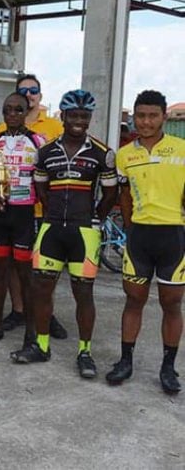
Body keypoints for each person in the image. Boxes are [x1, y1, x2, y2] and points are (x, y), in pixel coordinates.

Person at [15, 90, 117, 376]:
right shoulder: (45, 152)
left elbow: (110, 195)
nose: (79, 121)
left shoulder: (102, 153)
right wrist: (53, 213)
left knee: (83, 293)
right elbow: (41, 189)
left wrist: (94, 217)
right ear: (63, 115)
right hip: (51, 229)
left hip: (84, 232)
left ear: (89, 119)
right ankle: (41, 346)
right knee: (41, 290)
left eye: (84, 117)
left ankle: (85, 352)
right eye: (74, 116)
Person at [107, 90, 185, 394]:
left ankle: (169, 367)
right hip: (139, 237)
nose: (146, 121)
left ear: (164, 117)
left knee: (172, 303)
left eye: (153, 115)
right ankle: (125, 361)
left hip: (174, 237)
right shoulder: (126, 155)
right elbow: (124, 197)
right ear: (133, 117)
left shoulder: (181, 149)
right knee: (134, 300)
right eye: (141, 115)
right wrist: (130, 228)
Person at [0, 74, 67, 339]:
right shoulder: (2, 129)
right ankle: (18, 309)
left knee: (45, 264)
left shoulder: (55, 126)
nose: (29, 94)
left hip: (43, 207)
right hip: (13, 208)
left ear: (40, 94)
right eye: (23, 90)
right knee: (15, 263)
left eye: (33, 90)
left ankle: (46, 312)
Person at [0, 93, 42, 347]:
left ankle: (31, 332)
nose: (12, 114)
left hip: (24, 215)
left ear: (26, 112)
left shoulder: (37, 141)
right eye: (7, 110)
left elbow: (43, 178)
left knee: (26, 274)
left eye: (17, 110)